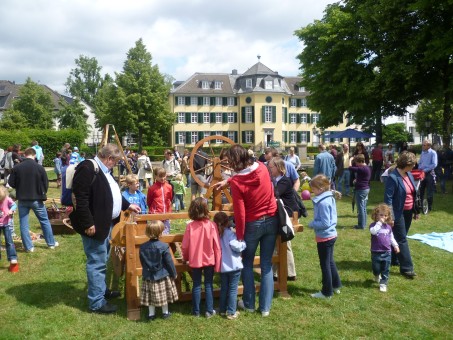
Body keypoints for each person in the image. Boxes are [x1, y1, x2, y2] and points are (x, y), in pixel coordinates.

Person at [69, 143, 141, 314]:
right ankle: (96, 302)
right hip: (94, 225)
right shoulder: (87, 168)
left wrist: (127, 205)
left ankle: (100, 291)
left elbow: (111, 194)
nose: (115, 164)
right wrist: (87, 223)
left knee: (103, 259)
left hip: (106, 223)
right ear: (109, 158)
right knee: (97, 262)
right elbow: (81, 198)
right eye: (115, 161)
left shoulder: (104, 171)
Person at [216, 144, 278, 317]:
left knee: (247, 264)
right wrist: (228, 180)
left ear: (235, 161)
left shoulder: (237, 183)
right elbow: (248, 175)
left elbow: (240, 213)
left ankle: (249, 304)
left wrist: (240, 237)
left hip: (253, 224)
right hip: (272, 220)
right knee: (266, 265)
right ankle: (265, 308)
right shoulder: (263, 167)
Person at [8, 147, 58, 252]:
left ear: (25, 155)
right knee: (44, 221)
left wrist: (20, 186)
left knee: (24, 223)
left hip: (22, 199)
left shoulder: (17, 167)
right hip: (37, 198)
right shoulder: (39, 167)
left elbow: (11, 183)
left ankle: (29, 247)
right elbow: (46, 183)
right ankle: (51, 243)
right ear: (34, 155)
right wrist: (42, 192)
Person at [182, 197, 221, 318]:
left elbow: (185, 246)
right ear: (206, 209)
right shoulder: (212, 225)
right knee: (208, 284)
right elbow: (217, 246)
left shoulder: (190, 226)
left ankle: (196, 311)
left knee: (197, 284)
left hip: (195, 259)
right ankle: (209, 311)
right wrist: (218, 263)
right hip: (209, 259)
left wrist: (185, 257)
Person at [384, 151, 417, 279]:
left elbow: (413, 193)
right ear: (406, 164)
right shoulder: (393, 178)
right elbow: (388, 199)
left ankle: (394, 259)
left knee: (400, 237)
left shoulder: (409, 174)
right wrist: (390, 216)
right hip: (398, 213)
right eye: (412, 164)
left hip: (408, 211)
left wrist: (415, 211)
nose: (414, 166)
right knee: (402, 239)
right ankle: (407, 268)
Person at [308, 174, 342, 299]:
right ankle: (336, 284)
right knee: (330, 261)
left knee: (325, 264)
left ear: (321, 189)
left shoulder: (322, 203)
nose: (312, 191)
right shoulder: (328, 197)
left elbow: (325, 222)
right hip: (331, 235)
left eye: (314, 189)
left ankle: (326, 292)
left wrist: (312, 224)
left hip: (325, 237)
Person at [139, 220, 178, 321]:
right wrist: (174, 273)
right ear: (160, 232)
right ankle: (165, 313)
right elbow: (169, 262)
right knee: (163, 294)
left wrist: (146, 270)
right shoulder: (164, 246)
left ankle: (151, 314)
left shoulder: (142, 247)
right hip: (162, 275)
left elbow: (142, 262)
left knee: (150, 295)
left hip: (148, 275)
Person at [268, 157, 298, 281]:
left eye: (271, 167)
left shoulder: (284, 181)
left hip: (288, 215)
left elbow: (275, 194)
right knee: (279, 243)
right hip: (281, 214)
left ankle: (287, 273)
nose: (269, 169)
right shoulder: (275, 180)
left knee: (283, 243)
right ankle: (282, 273)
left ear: (279, 168)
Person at [214, 211, 246, 320]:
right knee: (233, 289)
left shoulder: (216, 235)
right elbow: (235, 246)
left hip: (223, 267)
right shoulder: (230, 234)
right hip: (234, 266)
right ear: (227, 222)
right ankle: (231, 311)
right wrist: (243, 243)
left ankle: (222, 309)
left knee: (224, 288)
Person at [369, 203, 400, 293]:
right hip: (376, 251)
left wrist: (396, 245)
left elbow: (391, 237)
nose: (383, 217)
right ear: (376, 215)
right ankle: (376, 274)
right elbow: (373, 232)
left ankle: (383, 284)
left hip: (387, 252)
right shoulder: (373, 225)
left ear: (388, 217)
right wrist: (379, 223)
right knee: (376, 268)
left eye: (385, 215)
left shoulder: (388, 227)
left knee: (386, 269)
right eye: (381, 215)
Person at [147, 167, 173, 234]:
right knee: (156, 233)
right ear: (155, 176)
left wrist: (169, 213)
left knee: (166, 233)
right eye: (160, 176)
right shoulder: (152, 188)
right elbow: (149, 201)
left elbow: (170, 199)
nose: (162, 178)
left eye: (164, 176)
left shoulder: (169, 187)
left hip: (166, 214)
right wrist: (153, 211)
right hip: (156, 214)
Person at [349, 154, 371, 229]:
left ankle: (361, 225)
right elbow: (363, 177)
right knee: (363, 208)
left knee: (360, 208)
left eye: (356, 163)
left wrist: (350, 160)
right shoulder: (366, 168)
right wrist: (357, 180)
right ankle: (363, 224)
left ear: (360, 162)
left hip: (361, 190)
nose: (356, 164)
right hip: (365, 189)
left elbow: (350, 168)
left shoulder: (362, 168)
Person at [0, 185, 18, 265]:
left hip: (6, 224)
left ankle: (13, 257)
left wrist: (11, 210)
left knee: (9, 241)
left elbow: (14, 205)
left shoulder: (7, 199)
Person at [418, 139, 437, 211]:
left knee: (429, 192)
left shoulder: (433, 153)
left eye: (424, 145)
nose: (422, 146)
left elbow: (434, 164)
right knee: (420, 191)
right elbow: (420, 162)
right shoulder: (422, 152)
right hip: (421, 173)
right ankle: (420, 206)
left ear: (429, 146)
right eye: (422, 145)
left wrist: (425, 170)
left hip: (429, 174)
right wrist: (419, 168)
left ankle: (429, 207)